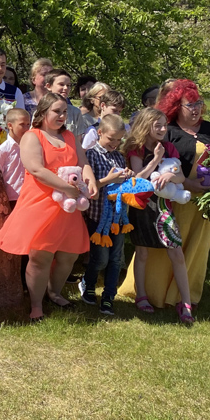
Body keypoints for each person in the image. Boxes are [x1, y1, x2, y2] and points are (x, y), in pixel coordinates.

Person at [121, 79, 210, 309]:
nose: (196, 108)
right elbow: (147, 173)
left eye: (198, 103)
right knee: (159, 249)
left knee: (195, 247)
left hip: (203, 198)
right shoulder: (168, 132)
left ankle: (185, 297)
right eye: (190, 105)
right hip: (173, 198)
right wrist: (189, 184)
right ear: (176, 106)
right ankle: (153, 293)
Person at [0, 94, 97, 322]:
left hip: (68, 206)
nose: (62, 116)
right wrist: (67, 188)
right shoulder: (32, 136)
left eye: (64, 112)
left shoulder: (69, 136)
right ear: (43, 112)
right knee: (41, 257)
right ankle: (36, 306)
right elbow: (36, 169)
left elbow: (83, 163)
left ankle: (54, 293)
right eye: (57, 111)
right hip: (41, 203)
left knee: (69, 255)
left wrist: (91, 182)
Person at [118, 108, 194, 324]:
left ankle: (185, 302)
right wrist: (156, 160)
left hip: (163, 207)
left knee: (176, 252)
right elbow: (137, 180)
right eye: (157, 125)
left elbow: (180, 177)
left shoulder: (169, 147)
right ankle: (141, 295)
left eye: (164, 125)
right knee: (142, 253)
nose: (162, 129)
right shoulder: (136, 149)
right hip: (142, 206)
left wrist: (171, 174)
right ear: (146, 126)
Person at [78, 114, 132, 316]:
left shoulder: (119, 156)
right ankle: (88, 282)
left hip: (118, 218)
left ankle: (109, 296)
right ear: (99, 133)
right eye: (111, 139)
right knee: (100, 259)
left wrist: (128, 178)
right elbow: (88, 188)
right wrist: (109, 179)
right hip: (98, 217)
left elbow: (124, 187)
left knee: (115, 259)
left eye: (119, 140)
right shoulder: (90, 155)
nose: (115, 143)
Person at [0, 107, 30, 203]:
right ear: (10, 125)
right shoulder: (2, 151)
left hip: (28, 196)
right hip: (11, 198)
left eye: (28, 124)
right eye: (22, 125)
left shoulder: (30, 147)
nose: (26, 129)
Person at [44, 69, 85, 136]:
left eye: (68, 85)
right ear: (48, 86)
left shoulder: (75, 112)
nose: (66, 88)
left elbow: (78, 139)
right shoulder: (42, 111)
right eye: (61, 84)